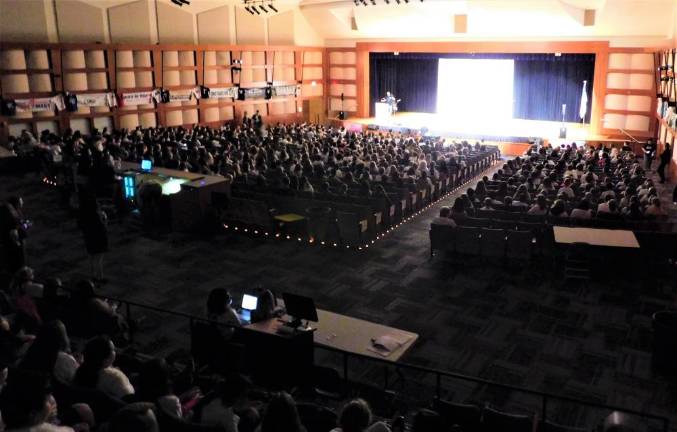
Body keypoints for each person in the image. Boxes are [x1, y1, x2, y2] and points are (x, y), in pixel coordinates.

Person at [73, 335, 135, 400]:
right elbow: (128, 397)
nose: (116, 351)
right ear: (106, 359)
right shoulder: (115, 378)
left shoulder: (81, 371)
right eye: (113, 349)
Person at [77, 190, 108, 283]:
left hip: (88, 237)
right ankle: (100, 277)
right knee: (99, 258)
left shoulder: (82, 213)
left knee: (91, 257)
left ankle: (93, 275)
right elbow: (104, 227)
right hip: (99, 238)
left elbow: (80, 226)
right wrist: (105, 218)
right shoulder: (97, 215)